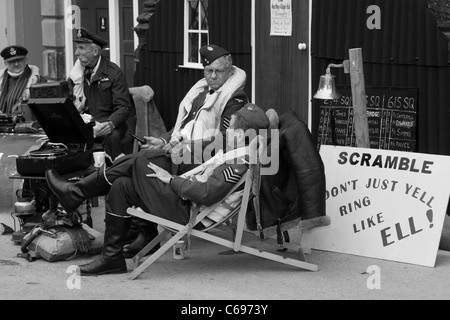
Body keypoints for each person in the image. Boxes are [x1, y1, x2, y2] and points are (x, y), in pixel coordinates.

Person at [47, 103, 270, 276]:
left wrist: (171, 179)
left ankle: (75, 193)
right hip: (182, 201)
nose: (226, 131)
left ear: (241, 135)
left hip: (187, 211)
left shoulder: (239, 163)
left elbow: (205, 193)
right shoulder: (236, 155)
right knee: (122, 185)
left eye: (229, 128)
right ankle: (111, 258)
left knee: (139, 160)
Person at [68, 28, 131, 163]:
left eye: (81, 48)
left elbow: (124, 107)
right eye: (76, 48)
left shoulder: (113, 73)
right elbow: (69, 102)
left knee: (112, 136)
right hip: (87, 125)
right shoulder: (76, 75)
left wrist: (111, 123)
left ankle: (113, 174)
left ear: (95, 51)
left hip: (109, 124)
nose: (76, 53)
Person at [0, 45, 42, 115]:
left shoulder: (37, 80)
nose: (16, 64)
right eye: (12, 61)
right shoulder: (1, 79)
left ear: (25, 60)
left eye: (19, 60)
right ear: (5, 63)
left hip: (26, 123)